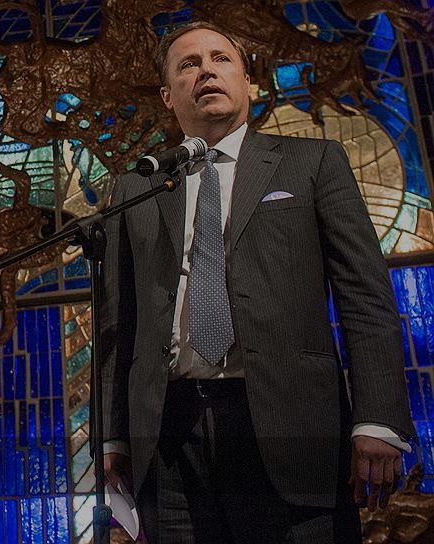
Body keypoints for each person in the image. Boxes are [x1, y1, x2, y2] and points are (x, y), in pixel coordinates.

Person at [98, 21, 417, 543]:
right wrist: (113, 436)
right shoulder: (138, 187)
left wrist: (379, 419)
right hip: (168, 434)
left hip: (290, 421)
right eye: (188, 64)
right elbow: (118, 319)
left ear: (248, 81)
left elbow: (365, 297)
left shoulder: (311, 163)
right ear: (167, 95)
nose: (206, 71)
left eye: (220, 59)